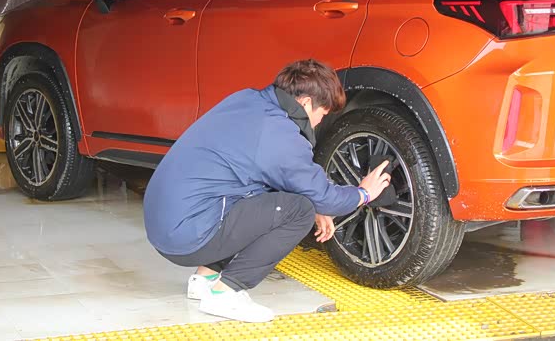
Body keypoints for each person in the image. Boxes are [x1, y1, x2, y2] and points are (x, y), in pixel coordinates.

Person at [143, 59, 392, 323]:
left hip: (165, 225)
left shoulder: (247, 100)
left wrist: (317, 200)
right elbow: (326, 198)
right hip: (188, 237)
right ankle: (225, 293)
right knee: (299, 211)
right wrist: (363, 193)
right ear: (306, 102)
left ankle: (204, 279)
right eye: (322, 114)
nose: (320, 122)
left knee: (256, 194)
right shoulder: (280, 133)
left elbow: (268, 173)